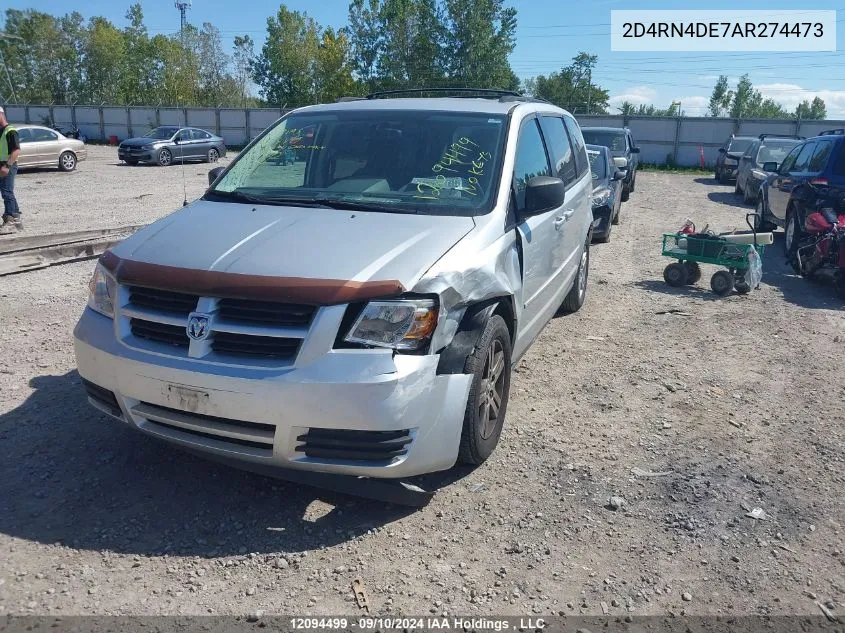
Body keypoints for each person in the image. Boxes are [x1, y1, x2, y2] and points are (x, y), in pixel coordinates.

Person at [0, 106, 22, 235]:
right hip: (2, 165)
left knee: (7, 192)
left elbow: (16, 150)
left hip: (9, 165)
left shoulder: (10, 131)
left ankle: (10, 221)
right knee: (7, 192)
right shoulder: (1, 131)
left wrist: (7, 166)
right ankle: (16, 218)